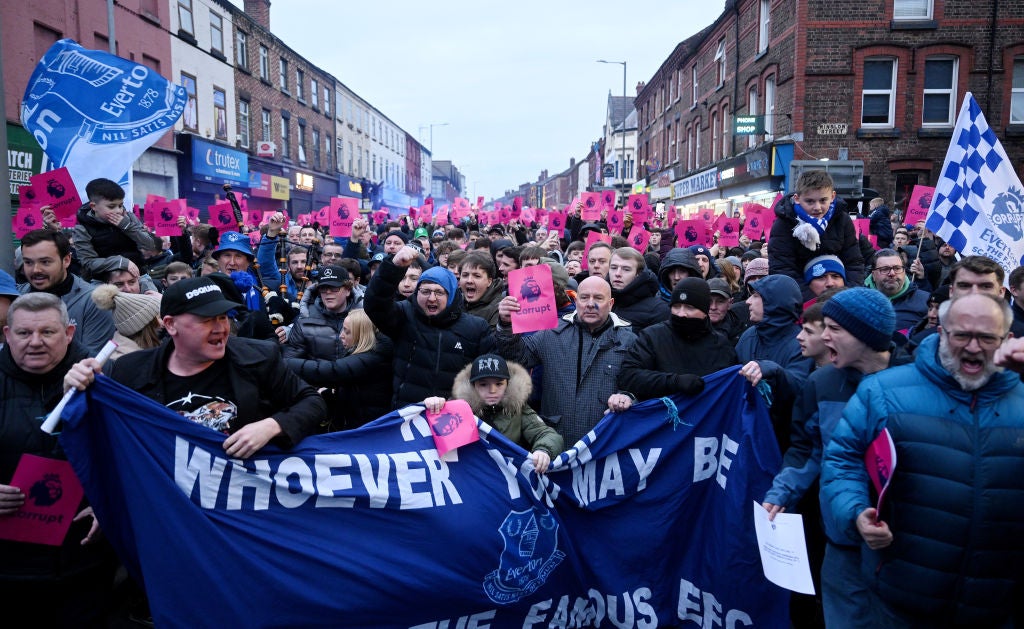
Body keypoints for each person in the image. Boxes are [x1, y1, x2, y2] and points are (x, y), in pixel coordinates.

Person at [821, 293, 1024, 627]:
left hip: (995, 605)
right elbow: (842, 461)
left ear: (1007, 340)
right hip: (898, 602)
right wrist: (856, 512)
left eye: (987, 338)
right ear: (941, 333)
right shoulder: (882, 392)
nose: (973, 348)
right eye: (962, 335)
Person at [763, 288, 902, 628]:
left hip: (901, 544)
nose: (823, 337)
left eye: (834, 328)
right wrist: (782, 492)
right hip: (841, 539)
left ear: (866, 335)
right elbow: (806, 448)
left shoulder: (912, 383)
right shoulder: (821, 383)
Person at [64, 277, 325, 459]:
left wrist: (272, 426)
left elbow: (312, 402)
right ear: (170, 324)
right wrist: (76, 392)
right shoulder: (128, 370)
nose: (220, 328)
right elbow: (104, 438)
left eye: (222, 317)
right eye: (206, 320)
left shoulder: (257, 357)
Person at [0, 293, 119, 626]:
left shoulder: (104, 382)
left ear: (69, 333)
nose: (35, 342)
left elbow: (127, 458)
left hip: (83, 562)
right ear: (7, 335)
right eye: (24, 333)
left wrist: (105, 501)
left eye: (48, 333)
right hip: (8, 566)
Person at [496, 276, 636, 445]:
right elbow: (517, 356)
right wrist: (505, 324)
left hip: (604, 442)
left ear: (611, 303)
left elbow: (637, 386)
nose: (590, 304)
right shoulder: (552, 332)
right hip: (557, 442)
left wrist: (627, 396)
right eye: (584, 297)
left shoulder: (628, 340)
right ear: (576, 300)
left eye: (598, 298)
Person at [364, 245, 495, 409]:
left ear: (452, 295)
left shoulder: (476, 328)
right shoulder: (404, 315)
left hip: (454, 417)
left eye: (439, 293)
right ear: (416, 293)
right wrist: (393, 266)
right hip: (409, 415)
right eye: (425, 291)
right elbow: (375, 304)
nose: (431, 298)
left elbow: (486, 378)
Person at [426, 354, 563, 474]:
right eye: (483, 384)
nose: (492, 390)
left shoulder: (517, 408)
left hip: (507, 478)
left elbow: (547, 434)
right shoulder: (458, 408)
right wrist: (434, 407)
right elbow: (433, 440)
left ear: (508, 384)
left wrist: (543, 451)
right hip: (470, 477)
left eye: (499, 384)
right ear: (473, 386)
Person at [618, 277, 737, 401]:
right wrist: (673, 382)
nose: (681, 314)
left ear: (705, 310)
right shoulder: (652, 336)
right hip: (660, 417)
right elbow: (628, 376)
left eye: (689, 307)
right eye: (676, 306)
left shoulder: (721, 346)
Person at [737, 274, 815, 452]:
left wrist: (773, 370)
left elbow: (799, 390)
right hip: (747, 435)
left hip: (783, 444)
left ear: (775, 303)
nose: (748, 301)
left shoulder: (800, 342)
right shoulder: (748, 336)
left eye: (756, 296)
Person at [285, 308, 393, 431]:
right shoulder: (366, 352)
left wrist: (284, 363)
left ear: (361, 335)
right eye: (342, 329)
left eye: (347, 332)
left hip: (369, 429)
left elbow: (333, 371)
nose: (341, 335)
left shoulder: (373, 357)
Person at [768, 170, 865, 300]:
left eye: (823, 200)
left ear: (832, 196)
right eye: (810, 201)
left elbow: (854, 263)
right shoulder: (784, 224)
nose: (817, 207)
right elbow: (783, 269)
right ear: (797, 199)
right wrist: (812, 302)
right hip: (801, 299)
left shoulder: (842, 219)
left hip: (840, 296)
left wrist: (848, 297)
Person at [17, 229, 116, 355]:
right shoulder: (16, 297)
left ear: (67, 260)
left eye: (45, 262)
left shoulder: (93, 301)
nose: (36, 269)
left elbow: (95, 361)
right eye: (28, 262)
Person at [70, 178, 155, 281]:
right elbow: (88, 263)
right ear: (94, 206)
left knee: (154, 296)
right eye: (111, 207)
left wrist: (127, 226)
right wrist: (120, 262)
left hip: (138, 276)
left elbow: (150, 245)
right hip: (102, 281)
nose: (118, 211)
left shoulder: (129, 218)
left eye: (120, 205)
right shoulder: (82, 228)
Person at [283, 265, 357, 362]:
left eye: (334, 288)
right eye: (323, 288)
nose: (328, 292)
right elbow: (289, 362)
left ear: (347, 290)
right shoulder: (305, 321)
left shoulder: (365, 319)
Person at [865, 248, 930, 337]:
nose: (892, 273)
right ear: (873, 274)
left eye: (897, 268)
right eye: (885, 269)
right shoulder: (859, 301)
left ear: (904, 272)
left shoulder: (926, 302)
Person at [89, 284, 163, 359]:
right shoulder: (123, 360)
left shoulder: (138, 350)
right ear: (144, 325)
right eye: (158, 317)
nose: (162, 322)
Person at [608, 247, 667, 333]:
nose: (617, 274)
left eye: (626, 269)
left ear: (638, 274)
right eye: (613, 268)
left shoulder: (658, 310)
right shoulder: (598, 300)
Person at [458, 250, 505, 326]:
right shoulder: (455, 303)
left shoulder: (500, 308)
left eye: (477, 276)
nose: (469, 281)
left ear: (489, 281)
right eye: (465, 275)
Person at [708, 277, 751, 346]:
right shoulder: (692, 332)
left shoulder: (742, 333)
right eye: (708, 301)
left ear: (730, 303)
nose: (713, 307)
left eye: (720, 302)